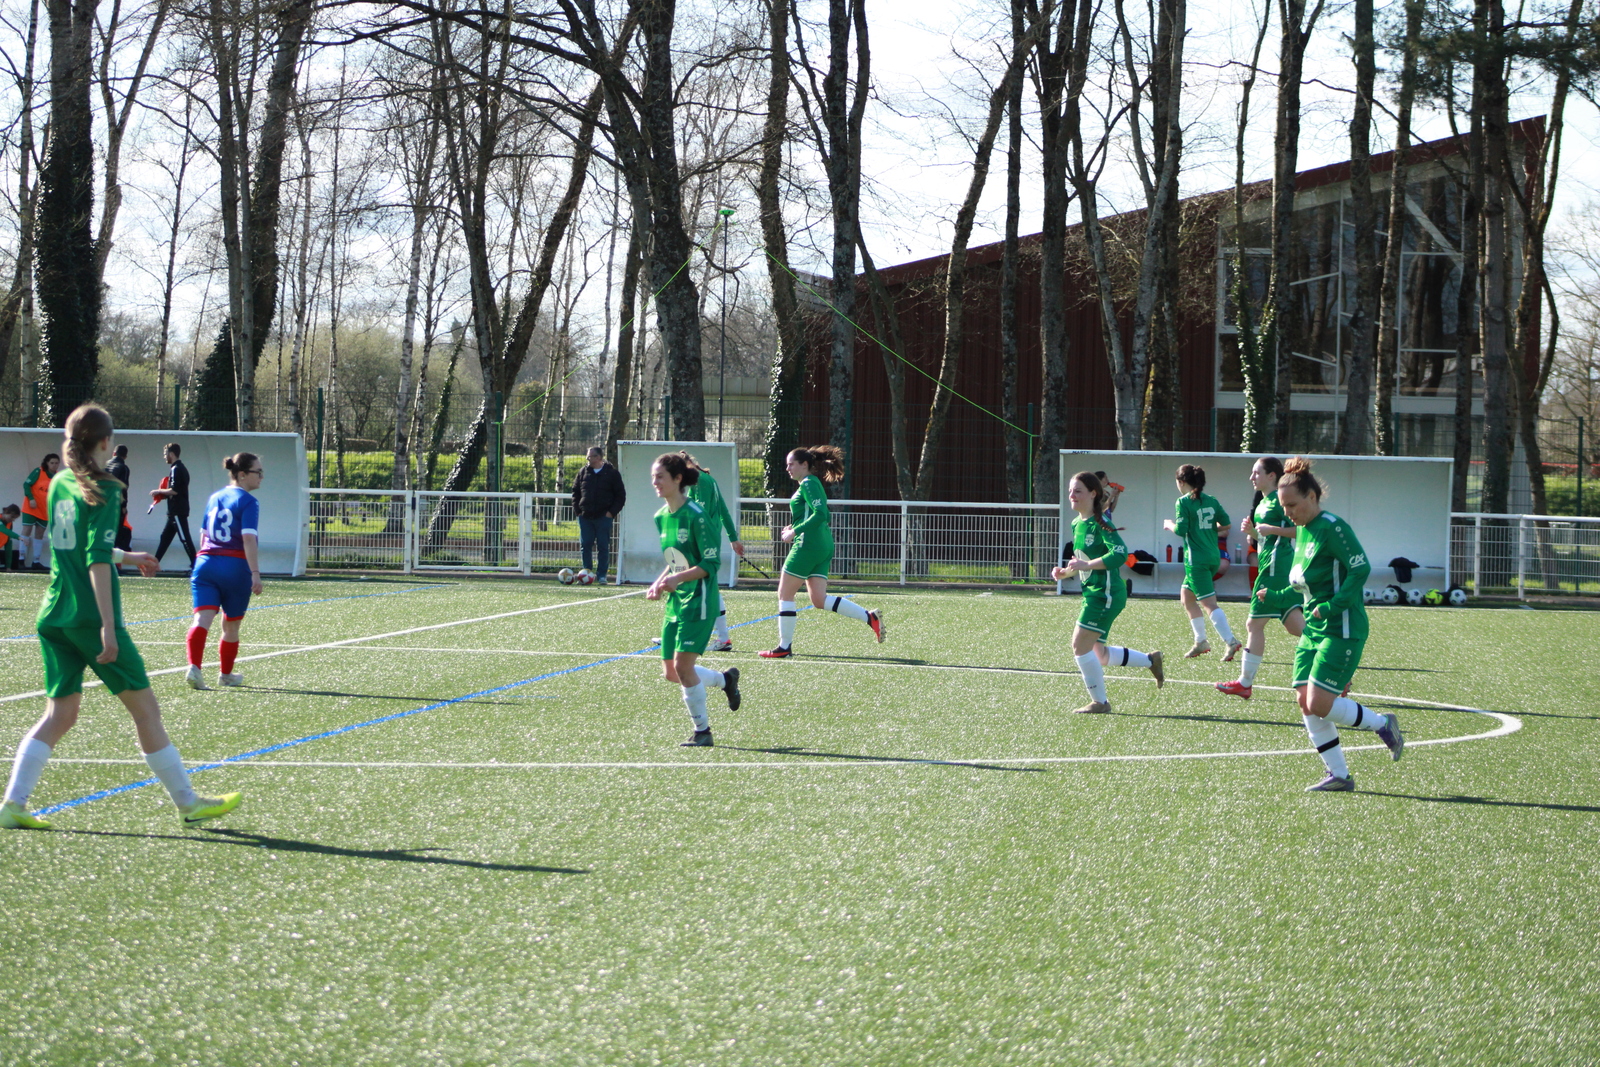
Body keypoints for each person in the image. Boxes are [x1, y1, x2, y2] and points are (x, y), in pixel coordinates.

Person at [0, 404, 242, 830]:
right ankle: (188, 802)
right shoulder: (107, 487)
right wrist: (108, 629)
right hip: (89, 617)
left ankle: (13, 804)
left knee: (61, 714)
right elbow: (94, 560)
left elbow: (76, 545)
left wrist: (128, 556)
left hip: (54, 613)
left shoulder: (60, 482)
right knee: (146, 711)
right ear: (106, 442)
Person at [1277, 456, 1404, 792]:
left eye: (1292, 505)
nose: (1288, 513)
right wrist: (1274, 594)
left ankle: (1383, 724)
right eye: (1284, 507)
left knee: (1319, 703)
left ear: (1312, 497)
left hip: (1342, 627)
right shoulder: (1303, 531)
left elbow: (1360, 569)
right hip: (1313, 629)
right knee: (1305, 701)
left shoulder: (1333, 527)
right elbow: (1302, 582)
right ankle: (1340, 775)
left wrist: (1333, 607)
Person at [646, 453, 740, 747]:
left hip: (699, 600)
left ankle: (703, 732)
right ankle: (725, 680)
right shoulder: (661, 517)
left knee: (683, 668)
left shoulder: (697, 515)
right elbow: (676, 560)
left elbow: (711, 564)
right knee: (670, 673)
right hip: (676, 601)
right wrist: (660, 582)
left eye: (660, 476)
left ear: (678, 479)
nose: (655, 482)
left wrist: (678, 579)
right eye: (653, 477)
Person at [1052, 471, 1164, 713]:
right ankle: (1150, 660)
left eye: (1078, 491)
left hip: (1106, 595)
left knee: (1079, 646)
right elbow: (1082, 561)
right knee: (1099, 654)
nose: (1072, 495)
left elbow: (1120, 553)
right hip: (1094, 593)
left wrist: (1086, 565)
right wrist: (1065, 573)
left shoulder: (1101, 523)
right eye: (1070, 490)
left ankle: (1100, 703)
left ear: (1093, 494)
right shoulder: (1077, 523)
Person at [758, 446, 885, 658]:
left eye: (791, 464)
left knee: (785, 594)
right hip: (822, 545)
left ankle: (784, 647)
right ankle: (869, 618)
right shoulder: (810, 483)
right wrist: (795, 526)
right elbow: (823, 515)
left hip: (808, 546)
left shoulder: (808, 483)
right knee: (818, 599)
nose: (787, 468)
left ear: (804, 464)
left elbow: (821, 514)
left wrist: (795, 531)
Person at [1218, 457, 1304, 699]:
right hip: (1272, 567)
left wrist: (1271, 529)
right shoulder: (1263, 503)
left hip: (1275, 570)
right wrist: (1253, 533)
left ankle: (1245, 683)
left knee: (1254, 625)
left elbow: (1301, 531)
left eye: (1256, 473)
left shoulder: (1280, 500)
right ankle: (1337, 670)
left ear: (1272, 476)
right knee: (1296, 627)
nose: (1251, 477)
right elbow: (1269, 539)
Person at [185, 453, 265, 690]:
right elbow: (248, 538)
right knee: (231, 625)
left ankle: (194, 668)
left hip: (205, 562)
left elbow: (203, 535)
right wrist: (255, 572)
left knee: (201, 618)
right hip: (234, 565)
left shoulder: (214, 497)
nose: (261, 477)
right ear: (242, 474)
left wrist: (206, 561)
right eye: (258, 472)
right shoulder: (249, 501)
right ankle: (225, 675)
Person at [1162, 463, 1241, 660]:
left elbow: (1181, 530)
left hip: (1196, 560)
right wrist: (1207, 529)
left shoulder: (1183, 502)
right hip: (1213, 556)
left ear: (1181, 482)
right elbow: (1226, 524)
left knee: (1209, 604)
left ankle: (1231, 641)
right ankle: (1200, 642)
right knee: (1187, 598)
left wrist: (1169, 525)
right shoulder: (1211, 500)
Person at [679, 451, 744, 652]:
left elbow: (701, 514)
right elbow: (723, 510)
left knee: (694, 586)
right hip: (708, 539)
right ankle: (722, 638)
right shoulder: (705, 480)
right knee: (707, 587)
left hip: (703, 540)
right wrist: (733, 537)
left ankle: (684, 636)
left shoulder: (701, 481)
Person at [571, 446, 625, 584]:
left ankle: (602, 575)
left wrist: (611, 513)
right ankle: (586, 574)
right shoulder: (583, 472)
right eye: (588, 456)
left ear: (599, 457)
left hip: (603, 517)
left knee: (603, 546)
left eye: (590, 456)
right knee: (585, 545)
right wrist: (578, 511)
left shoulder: (612, 473)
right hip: (585, 516)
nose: (588, 459)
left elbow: (620, 495)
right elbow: (575, 492)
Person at [152, 442, 196, 572]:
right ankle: (154, 564)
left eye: (165, 454)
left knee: (185, 539)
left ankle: (196, 566)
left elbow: (174, 490)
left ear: (171, 454)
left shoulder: (176, 469)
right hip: (173, 512)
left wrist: (159, 491)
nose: (164, 457)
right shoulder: (179, 468)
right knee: (165, 539)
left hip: (177, 511)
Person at [20, 452, 60, 571]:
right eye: (52, 463)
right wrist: (31, 498)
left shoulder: (57, 476)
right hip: (31, 507)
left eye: (56, 463)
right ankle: (21, 560)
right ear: (47, 463)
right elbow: (26, 485)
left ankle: (36, 561)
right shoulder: (39, 471)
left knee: (40, 534)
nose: (54, 465)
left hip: (45, 510)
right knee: (26, 530)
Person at [105, 443, 133, 556]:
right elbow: (123, 488)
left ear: (114, 453)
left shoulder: (105, 466)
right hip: (115, 503)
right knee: (116, 531)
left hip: (102, 503)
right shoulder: (123, 468)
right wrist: (124, 506)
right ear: (125, 456)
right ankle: (115, 559)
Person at [0, 504, 21, 570]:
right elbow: (4, 530)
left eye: (15, 518)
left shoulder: (9, 524)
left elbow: (8, 545)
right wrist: (18, 537)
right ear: (6, 512)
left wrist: (8, 567)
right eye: (12, 517)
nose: (13, 520)